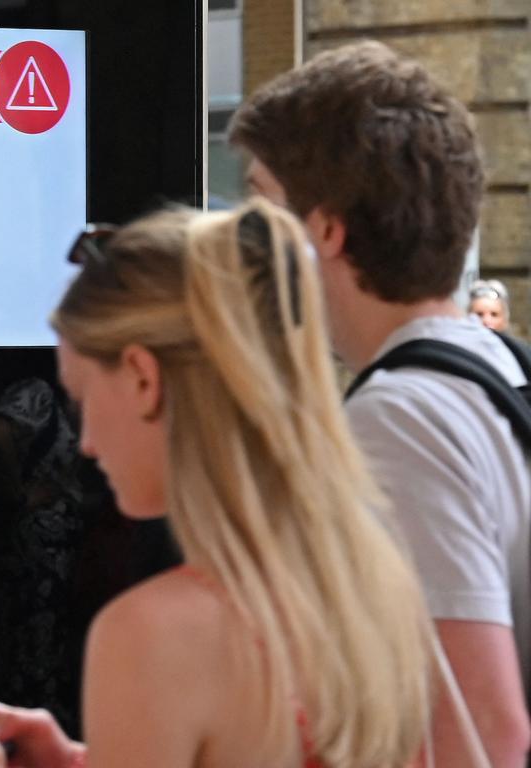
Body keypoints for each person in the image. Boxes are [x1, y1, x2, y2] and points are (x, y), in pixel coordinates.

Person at [0, 200, 435, 767]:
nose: (87, 442)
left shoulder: (151, 633)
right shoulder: (374, 576)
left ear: (145, 380)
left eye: (83, 400)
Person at [229, 41, 531, 765]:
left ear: (327, 230)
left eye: (262, 208)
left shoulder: (399, 421)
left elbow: (481, 732)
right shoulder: (499, 368)